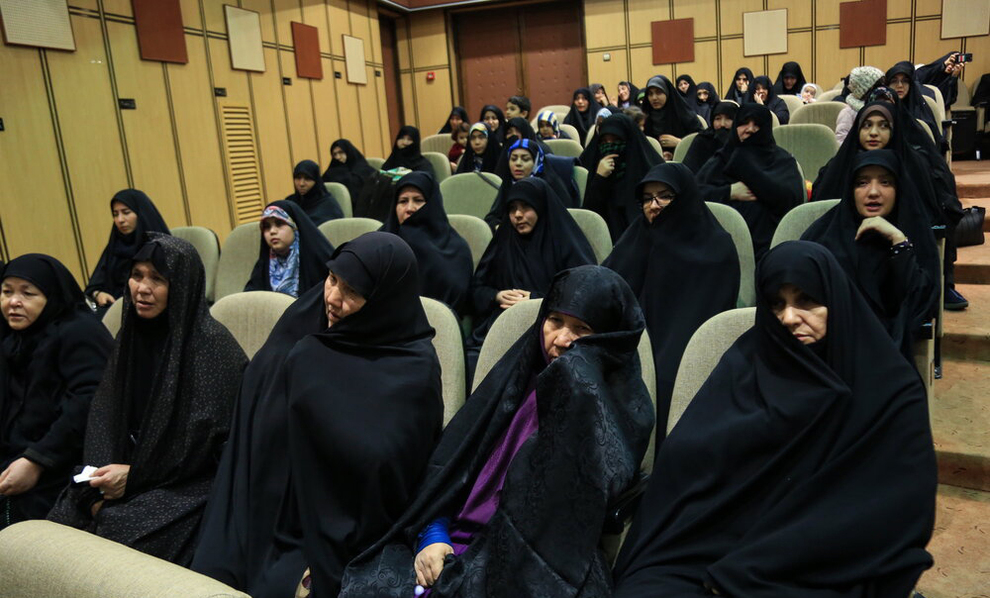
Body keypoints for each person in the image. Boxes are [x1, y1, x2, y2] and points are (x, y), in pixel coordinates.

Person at [612, 240, 938, 598]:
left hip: (823, 561)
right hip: (710, 551)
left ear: (836, 300)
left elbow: (894, 508)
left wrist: (759, 564)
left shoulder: (889, 389)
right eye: (776, 304)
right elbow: (687, 466)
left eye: (807, 300)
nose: (789, 317)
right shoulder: (746, 366)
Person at [340, 265, 654, 598]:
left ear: (609, 339)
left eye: (582, 329)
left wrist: (577, 392)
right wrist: (433, 534)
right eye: (555, 321)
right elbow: (447, 473)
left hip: (539, 561)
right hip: (454, 539)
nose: (562, 340)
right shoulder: (513, 383)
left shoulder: (622, 410)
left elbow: (577, 507)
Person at [193, 233, 444, 598]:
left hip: (356, 530)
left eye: (352, 291)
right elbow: (257, 429)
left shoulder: (414, 368)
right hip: (269, 511)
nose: (332, 298)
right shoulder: (301, 328)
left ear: (384, 300)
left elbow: (401, 471)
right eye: (332, 278)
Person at [49, 234, 247, 565]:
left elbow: (205, 446)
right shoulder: (132, 336)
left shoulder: (211, 346)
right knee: (64, 516)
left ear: (181, 285)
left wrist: (136, 475)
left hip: (190, 480)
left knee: (121, 530)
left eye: (157, 279)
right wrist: (100, 475)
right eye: (137, 275)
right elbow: (105, 414)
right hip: (129, 467)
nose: (142, 288)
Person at [603, 164, 739, 444]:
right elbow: (603, 287)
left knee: (664, 380)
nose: (654, 206)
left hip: (686, 347)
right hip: (631, 338)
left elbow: (705, 321)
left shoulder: (716, 248)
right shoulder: (636, 237)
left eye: (664, 196)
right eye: (647, 199)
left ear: (686, 197)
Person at [0, 255, 112, 529]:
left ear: (51, 296)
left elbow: (88, 404)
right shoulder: (14, 337)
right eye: (6, 292)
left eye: (28, 293)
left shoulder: (78, 331)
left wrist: (36, 460)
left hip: (67, 461)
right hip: (21, 453)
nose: (14, 302)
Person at [802, 150, 939, 360]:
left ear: (899, 188)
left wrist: (898, 241)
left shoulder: (915, 232)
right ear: (850, 189)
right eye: (862, 183)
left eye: (885, 182)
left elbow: (921, 302)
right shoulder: (823, 235)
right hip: (824, 349)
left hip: (883, 354)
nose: (873, 192)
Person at [467, 178, 595, 371]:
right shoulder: (504, 241)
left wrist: (537, 300)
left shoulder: (564, 243)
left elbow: (584, 294)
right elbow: (476, 290)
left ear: (540, 207)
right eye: (512, 209)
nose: (518, 215)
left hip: (551, 334)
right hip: (500, 330)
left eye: (526, 207)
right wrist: (496, 296)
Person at [696, 103, 804, 259]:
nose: (750, 129)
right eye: (744, 123)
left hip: (772, 245)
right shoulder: (722, 158)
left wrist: (749, 172)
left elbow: (792, 200)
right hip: (719, 244)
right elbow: (695, 194)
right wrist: (729, 192)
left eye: (757, 124)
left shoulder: (782, 160)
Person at [380, 171, 473, 312]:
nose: (409, 208)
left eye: (418, 200)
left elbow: (455, 297)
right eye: (403, 201)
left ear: (432, 205)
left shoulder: (455, 249)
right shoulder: (380, 242)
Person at [580, 113, 664, 241]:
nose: (609, 146)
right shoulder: (596, 168)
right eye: (604, 141)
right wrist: (600, 179)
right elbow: (590, 215)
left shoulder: (650, 169)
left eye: (615, 140)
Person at [85, 189, 170, 311]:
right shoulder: (115, 246)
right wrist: (98, 294)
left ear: (141, 214)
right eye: (115, 214)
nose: (120, 220)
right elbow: (95, 285)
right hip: (111, 308)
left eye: (126, 212)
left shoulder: (160, 247)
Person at [244, 201, 335, 298]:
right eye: (267, 227)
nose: (272, 231)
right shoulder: (264, 264)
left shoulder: (317, 258)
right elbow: (250, 297)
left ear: (294, 227)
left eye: (279, 224)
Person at [485, 138, 581, 229]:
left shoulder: (549, 184)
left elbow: (560, 222)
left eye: (525, 159)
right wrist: (498, 227)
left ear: (536, 162)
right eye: (513, 159)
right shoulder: (508, 184)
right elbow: (492, 217)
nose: (518, 163)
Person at [886, 61, 945, 151]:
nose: (900, 85)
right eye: (894, 81)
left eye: (905, 81)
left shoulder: (919, 108)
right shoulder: (883, 107)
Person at [641, 75, 703, 159]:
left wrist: (680, 143)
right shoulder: (644, 118)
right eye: (650, 94)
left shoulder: (684, 114)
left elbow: (703, 142)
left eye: (659, 92)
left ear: (667, 93)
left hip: (684, 161)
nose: (654, 98)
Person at [680, 100, 738, 173]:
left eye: (728, 118)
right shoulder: (702, 139)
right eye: (718, 119)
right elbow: (689, 170)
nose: (722, 124)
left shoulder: (742, 141)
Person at [286, 160, 344, 226]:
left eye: (307, 179)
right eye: (298, 178)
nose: (301, 184)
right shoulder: (290, 202)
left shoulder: (329, 206)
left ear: (316, 181)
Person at [835, 66, 885, 142]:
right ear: (864, 90)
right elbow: (841, 141)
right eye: (877, 86)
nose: (882, 90)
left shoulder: (885, 105)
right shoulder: (848, 113)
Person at [321, 139, 377, 203]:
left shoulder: (365, 169)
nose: (338, 157)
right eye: (335, 154)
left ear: (349, 151)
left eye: (341, 152)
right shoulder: (331, 172)